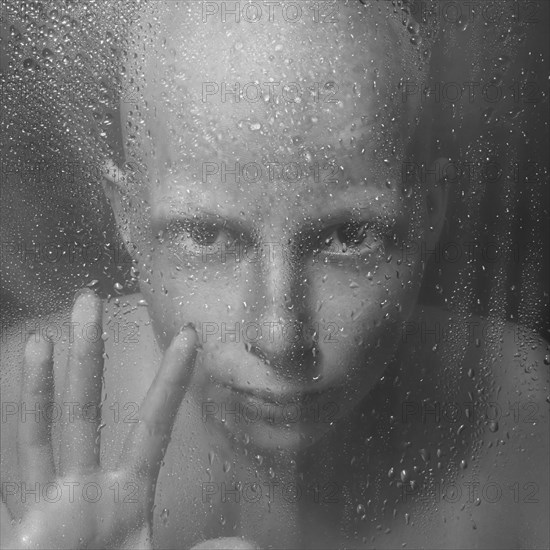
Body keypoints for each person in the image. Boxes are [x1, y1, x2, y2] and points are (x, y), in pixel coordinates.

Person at [1, 1, 548, 548]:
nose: (279, 336)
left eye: (349, 238)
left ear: (428, 213)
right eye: (207, 235)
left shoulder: (522, 410)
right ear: (127, 218)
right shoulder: (18, 414)